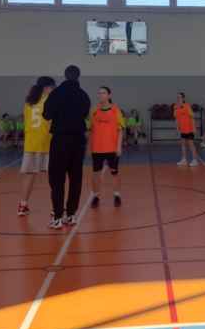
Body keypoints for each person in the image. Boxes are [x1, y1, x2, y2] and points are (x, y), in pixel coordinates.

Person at [43, 65, 91, 229]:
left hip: (60, 140)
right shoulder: (83, 95)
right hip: (78, 141)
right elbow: (84, 114)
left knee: (57, 178)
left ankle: (57, 217)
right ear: (78, 76)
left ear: (65, 75)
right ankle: (71, 215)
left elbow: (46, 115)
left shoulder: (56, 94)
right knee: (75, 178)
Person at [18, 76, 55, 217]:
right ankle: (55, 208)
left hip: (31, 144)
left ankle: (22, 205)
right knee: (53, 177)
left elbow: (26, 121)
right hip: (46, 143)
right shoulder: (50, 100)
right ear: (47, 88)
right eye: (52, 87)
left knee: (29, 176)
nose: (53, 90)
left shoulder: (29, 102)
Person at [88, 86, 126, 207]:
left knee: (114, 173)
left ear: (109, 95)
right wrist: (89, 147)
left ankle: (117, 195)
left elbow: (120, 130)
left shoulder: (115, 110)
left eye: (103, 93)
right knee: (96, 174)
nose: (101, 95)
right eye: (99, 93)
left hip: (112, 148)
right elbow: (90, 130)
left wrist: (119, 147)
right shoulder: (94, 111)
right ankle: (96, 196)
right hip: (97, 148)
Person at [174, 92, 199, 167]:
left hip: (189, 129)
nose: (178, 99)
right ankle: (184, 160)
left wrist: (194, 128)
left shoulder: (187, 106)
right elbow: (176, 118)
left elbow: (192, 117)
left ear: (183, 98)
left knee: (191, 144)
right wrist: (177, 128)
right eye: (177, 97)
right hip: (182, 129)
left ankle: (195, 160)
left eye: (180, 97)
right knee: (183, 144)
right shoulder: (175, 107)